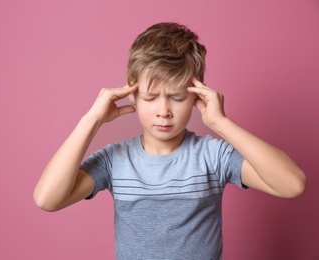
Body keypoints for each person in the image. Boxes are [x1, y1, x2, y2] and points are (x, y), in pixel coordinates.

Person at [33, 22, 306, 259]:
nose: (164, 110)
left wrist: (221, 123)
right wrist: (91, 119)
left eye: (177, 98)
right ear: (133, 93)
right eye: (151, 98)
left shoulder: (212, 156)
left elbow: (292, 184)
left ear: (197, 96)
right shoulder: (115, 160)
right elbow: (47, 199)